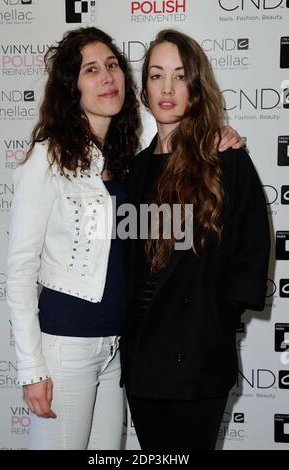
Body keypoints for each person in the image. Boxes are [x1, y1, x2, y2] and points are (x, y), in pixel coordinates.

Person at [6, 26, 244, 450]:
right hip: (66, 346)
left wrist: (220, 134)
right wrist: (31, 368)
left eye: (113, 65)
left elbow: (175, 115)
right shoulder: (47, 156)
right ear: (71, 87)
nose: (107, 77)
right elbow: (21, 268)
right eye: (91, 70)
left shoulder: (129, 150)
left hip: (116, 351)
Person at [121, 29, 270, 451]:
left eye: (180, 76)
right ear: (144, 89)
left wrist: (216, 318)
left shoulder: (225, 160)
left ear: (196, 86)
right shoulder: (133, 172)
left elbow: (252, 248)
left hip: (197, 358)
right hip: (144, 361)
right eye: (156, 75)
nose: (167, 88)